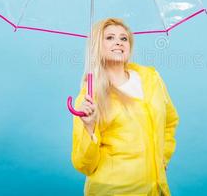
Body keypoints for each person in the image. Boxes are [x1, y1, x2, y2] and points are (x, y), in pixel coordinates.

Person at [71, 18, 179, 196]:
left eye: (124, 38)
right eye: (110, 37)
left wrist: (161, 159)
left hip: (155, 188)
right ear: (97, 45)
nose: (118, 43)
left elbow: (170, 121)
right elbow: (85, 165)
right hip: (113, 190)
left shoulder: (151, 78)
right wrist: (89, 129)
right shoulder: (89, 97)